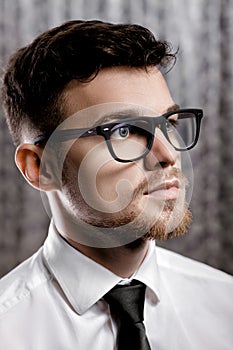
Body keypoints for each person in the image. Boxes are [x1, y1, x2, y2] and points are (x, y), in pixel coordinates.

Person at [0, 20, 232, 350]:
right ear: (39, 166)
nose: (168, 155)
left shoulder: (225, 308)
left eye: (168, 123)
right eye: (123, 131)